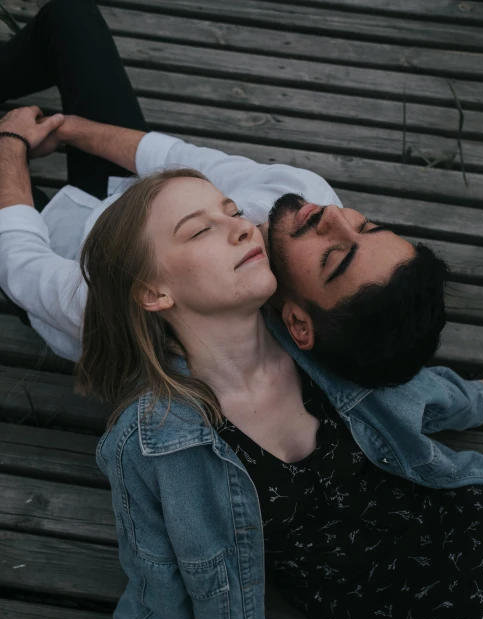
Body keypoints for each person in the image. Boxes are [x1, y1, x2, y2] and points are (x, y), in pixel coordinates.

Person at [75, 168, 483, 619]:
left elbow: (405, 386)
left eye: (232, 211)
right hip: (362, 588)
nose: (238, 228)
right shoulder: (153, 442)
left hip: (442, 505)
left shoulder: (307, 340)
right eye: (201, 229)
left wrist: (474, 400)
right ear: (155, 292)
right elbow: (152, 567)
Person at [0, 0, 448, 389]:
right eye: (365, 225)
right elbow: (177, 156)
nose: (333, 216)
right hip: (134, 198)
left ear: (296, 321)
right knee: (70, 17)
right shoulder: (301, 198)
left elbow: (23, 268)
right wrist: (63, 129)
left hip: (60, 256)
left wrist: (12, 147)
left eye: (332, 257)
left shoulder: (165, 311)